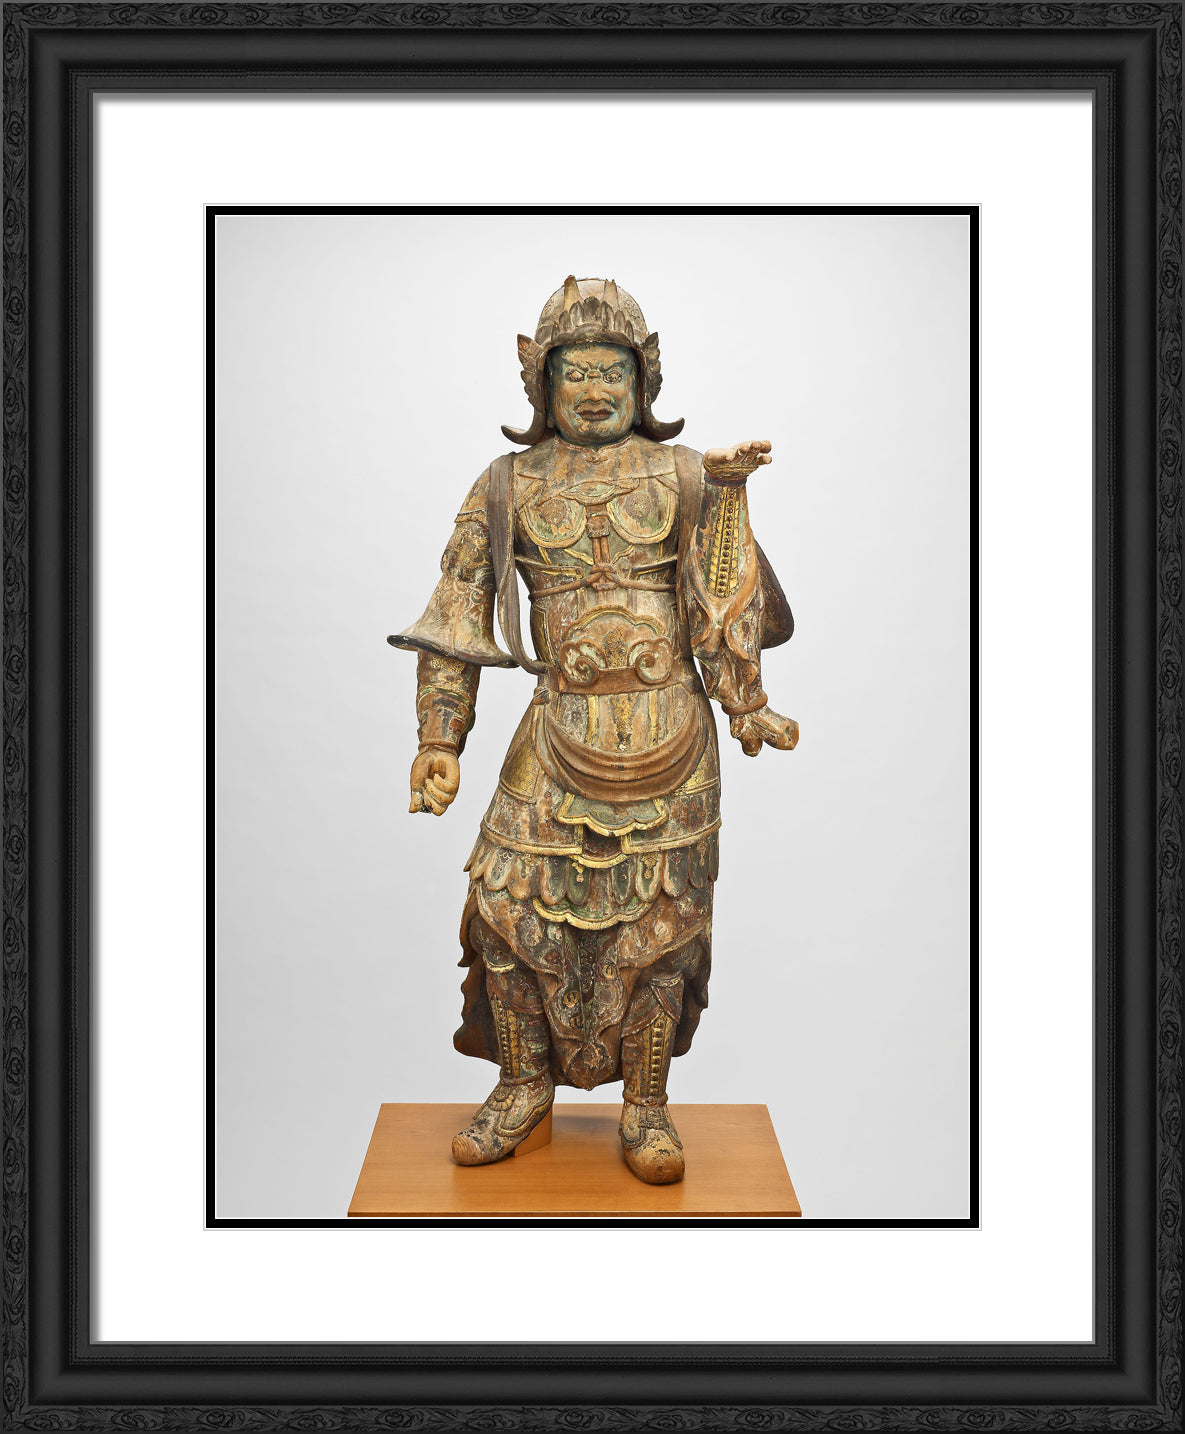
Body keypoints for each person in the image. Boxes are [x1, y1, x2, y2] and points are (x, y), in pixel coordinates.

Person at [389, 276, 797, 1184]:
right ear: (541, 383)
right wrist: (438, 739)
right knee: (505, 915)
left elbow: (722, 602)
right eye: (574, 371)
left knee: (662, 927)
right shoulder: (506, 484)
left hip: (670, 736)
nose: (594, 389)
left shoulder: (685, 474)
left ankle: (645, 1107)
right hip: (555, 730)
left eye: (613, 369)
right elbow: (455, 614)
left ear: (643, 380)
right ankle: (519, 1085)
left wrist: (746, 699)